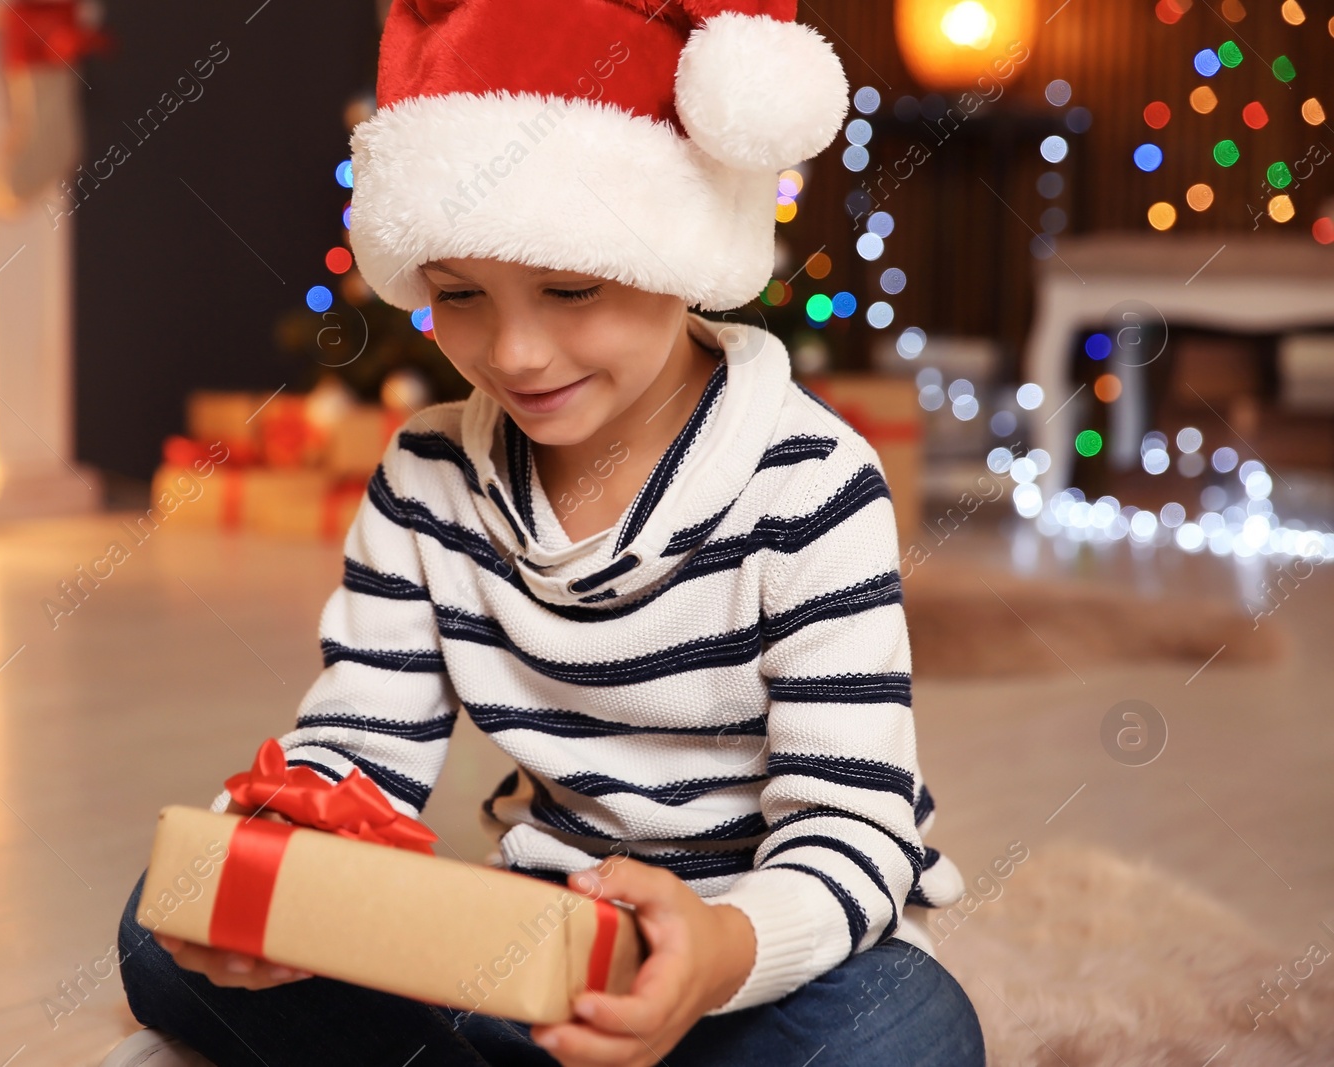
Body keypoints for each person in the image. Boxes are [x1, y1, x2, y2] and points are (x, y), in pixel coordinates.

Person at [108, 1, 984, 1064]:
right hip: (543, 943)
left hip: (757, 957)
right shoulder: (427, 476)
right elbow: (357, 753)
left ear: (687, 253)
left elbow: (852, 825)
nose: (516, 352)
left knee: (907, 1031)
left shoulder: (811, 485)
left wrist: (714, 950)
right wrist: (280, 865)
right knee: (170, 912)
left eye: (572, 288)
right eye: (459, 295)